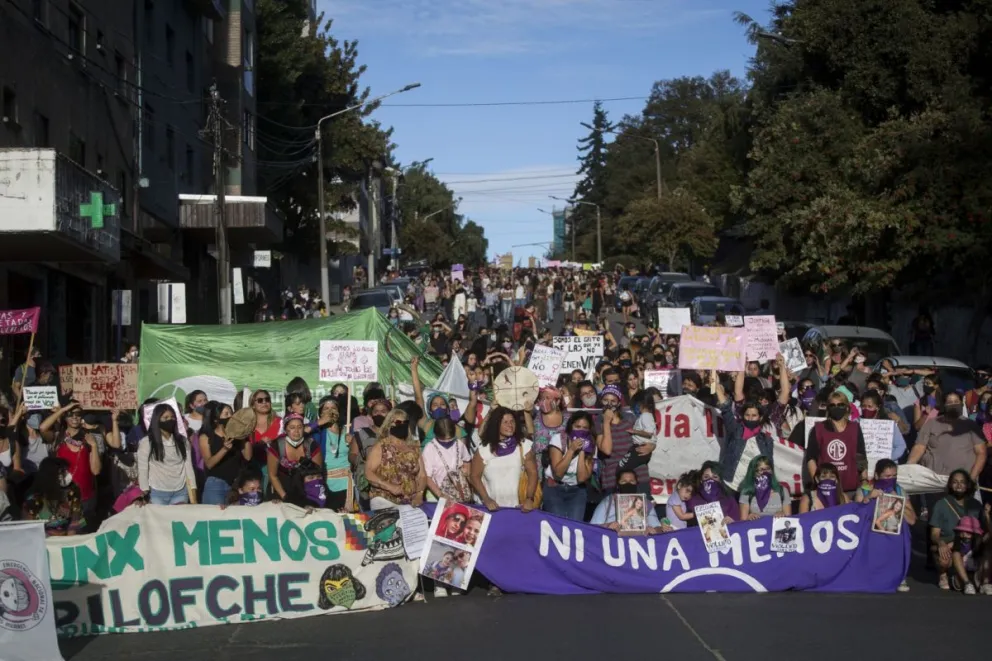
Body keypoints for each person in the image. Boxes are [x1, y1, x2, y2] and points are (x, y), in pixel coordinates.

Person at [469, 407, 538, 512]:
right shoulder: (484, 449)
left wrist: (529, 498)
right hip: (492, 509)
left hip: (518, 509)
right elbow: (474, 476)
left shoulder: (524, 445)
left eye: (512, 421)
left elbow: (533, 473)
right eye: (505, 422)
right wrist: (487, 499)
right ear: (496, 425)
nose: (510, 425)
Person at [929, 470, 988, 590]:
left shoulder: (976, 505)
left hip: (971, 546)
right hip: (950, 544)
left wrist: (987, 515)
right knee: (943, 557)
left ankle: (980, 580)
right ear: (950, 485)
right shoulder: (941, 504)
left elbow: (984, 530)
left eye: (962, 482)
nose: (959, 485)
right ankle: (943, 573)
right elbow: (934, 533)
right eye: (955, 482)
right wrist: (941, 543)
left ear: (967, 485)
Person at [365, 409, 426, 509]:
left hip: (410, 502)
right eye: (398, 422)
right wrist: (388, 486)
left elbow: (422, 475)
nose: (402, 424)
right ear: (389, 424)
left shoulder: (414, 447)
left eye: (405, 422)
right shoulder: (381, 446)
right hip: (384, 500)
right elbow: (368, 472)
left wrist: (420, 494)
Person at [137, 403, 197, 505]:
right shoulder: (147, 442)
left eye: (172, 417)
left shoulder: (183, 441)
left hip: (181, 492)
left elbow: (189, 468)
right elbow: (143, 469)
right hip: (156, 492)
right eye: (165, 418)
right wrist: (144, 492)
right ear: (157, 420)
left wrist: (193, 490)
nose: (170, 420)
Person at [542, 411, 596, 521]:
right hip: (555, 487)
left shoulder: (591, 445)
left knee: (575, 526)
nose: (581, 430)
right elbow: (558, 473)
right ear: (571, 426)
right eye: (578, 427)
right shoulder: (558, 439)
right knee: (557, 525)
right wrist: (571, 450)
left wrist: (582, 451)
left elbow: (581, 478)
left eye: (585, 428)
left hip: (577, 490)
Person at [199, 402, 250, 505]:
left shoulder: (237, 435)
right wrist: (224, 449)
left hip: (235, 485)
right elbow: (209, 464)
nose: (230, 416)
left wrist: (245, 436)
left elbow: (248, 457)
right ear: (216, 419)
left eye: (231, 413)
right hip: (216, 485)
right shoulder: (206, 437)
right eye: (226, 414)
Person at [590, 468, 669, 534]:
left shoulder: (646, 503)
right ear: (618, 485)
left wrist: (654, 530)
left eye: (632, 481)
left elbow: (657, 527)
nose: (628, 484)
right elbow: (591, 527)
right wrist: (607, 526)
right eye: (623, 481)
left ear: (636, 483)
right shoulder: (608, 502)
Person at [21, 457, 86, 535]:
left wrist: (69, 540)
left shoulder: (72, 491)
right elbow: (29, 530)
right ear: (50, 475)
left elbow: (76, 518)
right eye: (63, 472)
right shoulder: (33, 500)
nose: (67, 474)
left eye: (66, 470)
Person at [267, 414, 322, 502]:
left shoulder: (311, 445)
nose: (296, 431)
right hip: (281, 490)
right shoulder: (277, 445)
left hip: (306, 491)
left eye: (299, 427)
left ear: (303, 429)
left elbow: (317, 474)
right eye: (292, 427)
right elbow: (273, 476)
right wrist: (285, 497)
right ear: (286, 430)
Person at [738, 455, 791, 519]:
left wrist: (782, 514)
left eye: (768, 468)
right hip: (756, 528)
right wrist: (749, 517)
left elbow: (789, 519)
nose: (765, 472)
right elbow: (743, 521)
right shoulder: (746, 492)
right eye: (761, 470)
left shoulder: (782, 491)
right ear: (753, 473)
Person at [950, 516, 989, 594]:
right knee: (955, 554)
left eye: (968, 532)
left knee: (987, 555)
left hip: (977, 576)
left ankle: (985, 584)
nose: (964, 535)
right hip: (961, 578)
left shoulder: (979, 544)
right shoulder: (956, 544)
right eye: (962, 532)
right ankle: (968, 584)